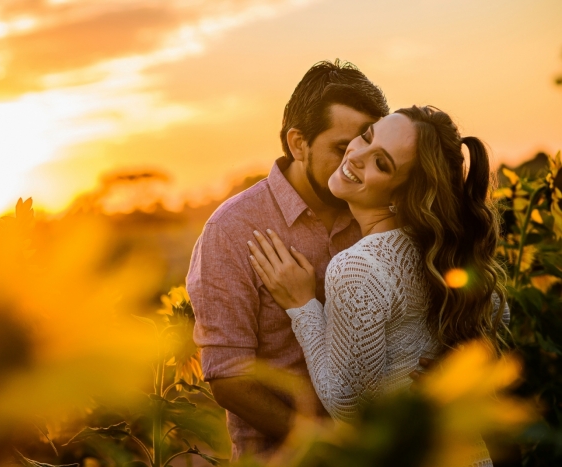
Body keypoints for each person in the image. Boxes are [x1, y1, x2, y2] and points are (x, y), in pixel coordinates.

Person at [247, 105, 509, 466]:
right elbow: (497, 308)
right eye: (367, 137)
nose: (355, 156)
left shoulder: (360, 267)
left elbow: (348, 407)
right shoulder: (439, 252)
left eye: (381, 163)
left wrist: (303, 306)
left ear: (399, 196)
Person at [186, 60, 397, 460]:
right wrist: (328, 444)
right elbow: (228, 376)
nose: (355, 163)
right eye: (342, 148)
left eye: (368, 148)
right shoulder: (231, 231)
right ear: (298, 143)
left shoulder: (382, 216)